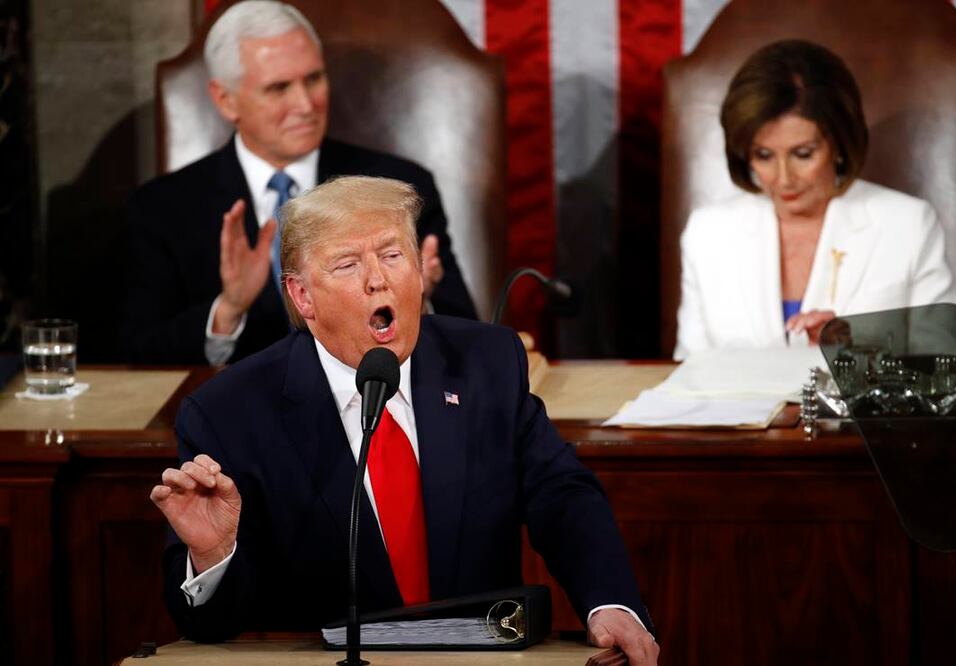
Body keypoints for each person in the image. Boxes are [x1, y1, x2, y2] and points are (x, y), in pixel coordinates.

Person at [149, 176, 660, 664]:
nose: (378, 279)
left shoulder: (487, 363)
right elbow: (207, 629)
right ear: (303, 297)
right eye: (348, 264)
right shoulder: (230, 414)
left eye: (393, 256)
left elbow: (562, 495)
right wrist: (215, 557)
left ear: (418, 270)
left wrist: (610, 601)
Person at [120, 0, 476, 366]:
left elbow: (466, 334)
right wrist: (228, 310)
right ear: (226, 100)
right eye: (279, 88)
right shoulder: (161, 208)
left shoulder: (397, 187)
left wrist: (416, 297)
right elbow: (138, 354)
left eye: (313, 79)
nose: (305, 104)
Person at [674, 39, 956, 359]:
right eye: (764, 155)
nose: (783, 178)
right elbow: (688, 373)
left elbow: (948, 368)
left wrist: (854, 361)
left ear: (839, 143)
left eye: (803, 154)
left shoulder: (907, 225)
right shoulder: (707, 233)